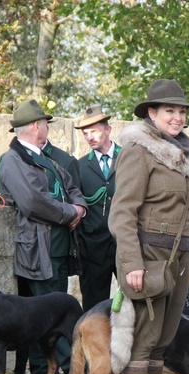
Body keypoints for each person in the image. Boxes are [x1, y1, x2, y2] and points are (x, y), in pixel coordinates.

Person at [108, 79, 189, 374]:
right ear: (152, 113)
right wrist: (131, 263)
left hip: (178, 263)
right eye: (170, 111)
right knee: (142, 344)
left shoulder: (184, 154)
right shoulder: (139, 151)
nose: (178, 117)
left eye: (181, 111)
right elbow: (122, 213)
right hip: (146, 259)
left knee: (160, 346)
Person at [0, 99, 86, 374]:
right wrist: (70, 212)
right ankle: (63, 369)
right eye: (45, 123)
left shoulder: (44, 156)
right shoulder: (12, 159)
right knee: (47, 310)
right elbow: (33, 202)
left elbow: (72, 186)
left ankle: (48, 369)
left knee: (51, 306)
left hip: (58, 246)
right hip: (37, 246)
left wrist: (79, 207)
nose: (47, 127)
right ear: (37, 126)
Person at [68, 105, 120, 311]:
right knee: (93, 309)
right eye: (85, 133)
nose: (89, 137)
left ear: (108, 130)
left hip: (126, 245)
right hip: (92, 249)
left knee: (136, 304)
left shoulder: (130, 158)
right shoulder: (79, 166)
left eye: (95, 131)